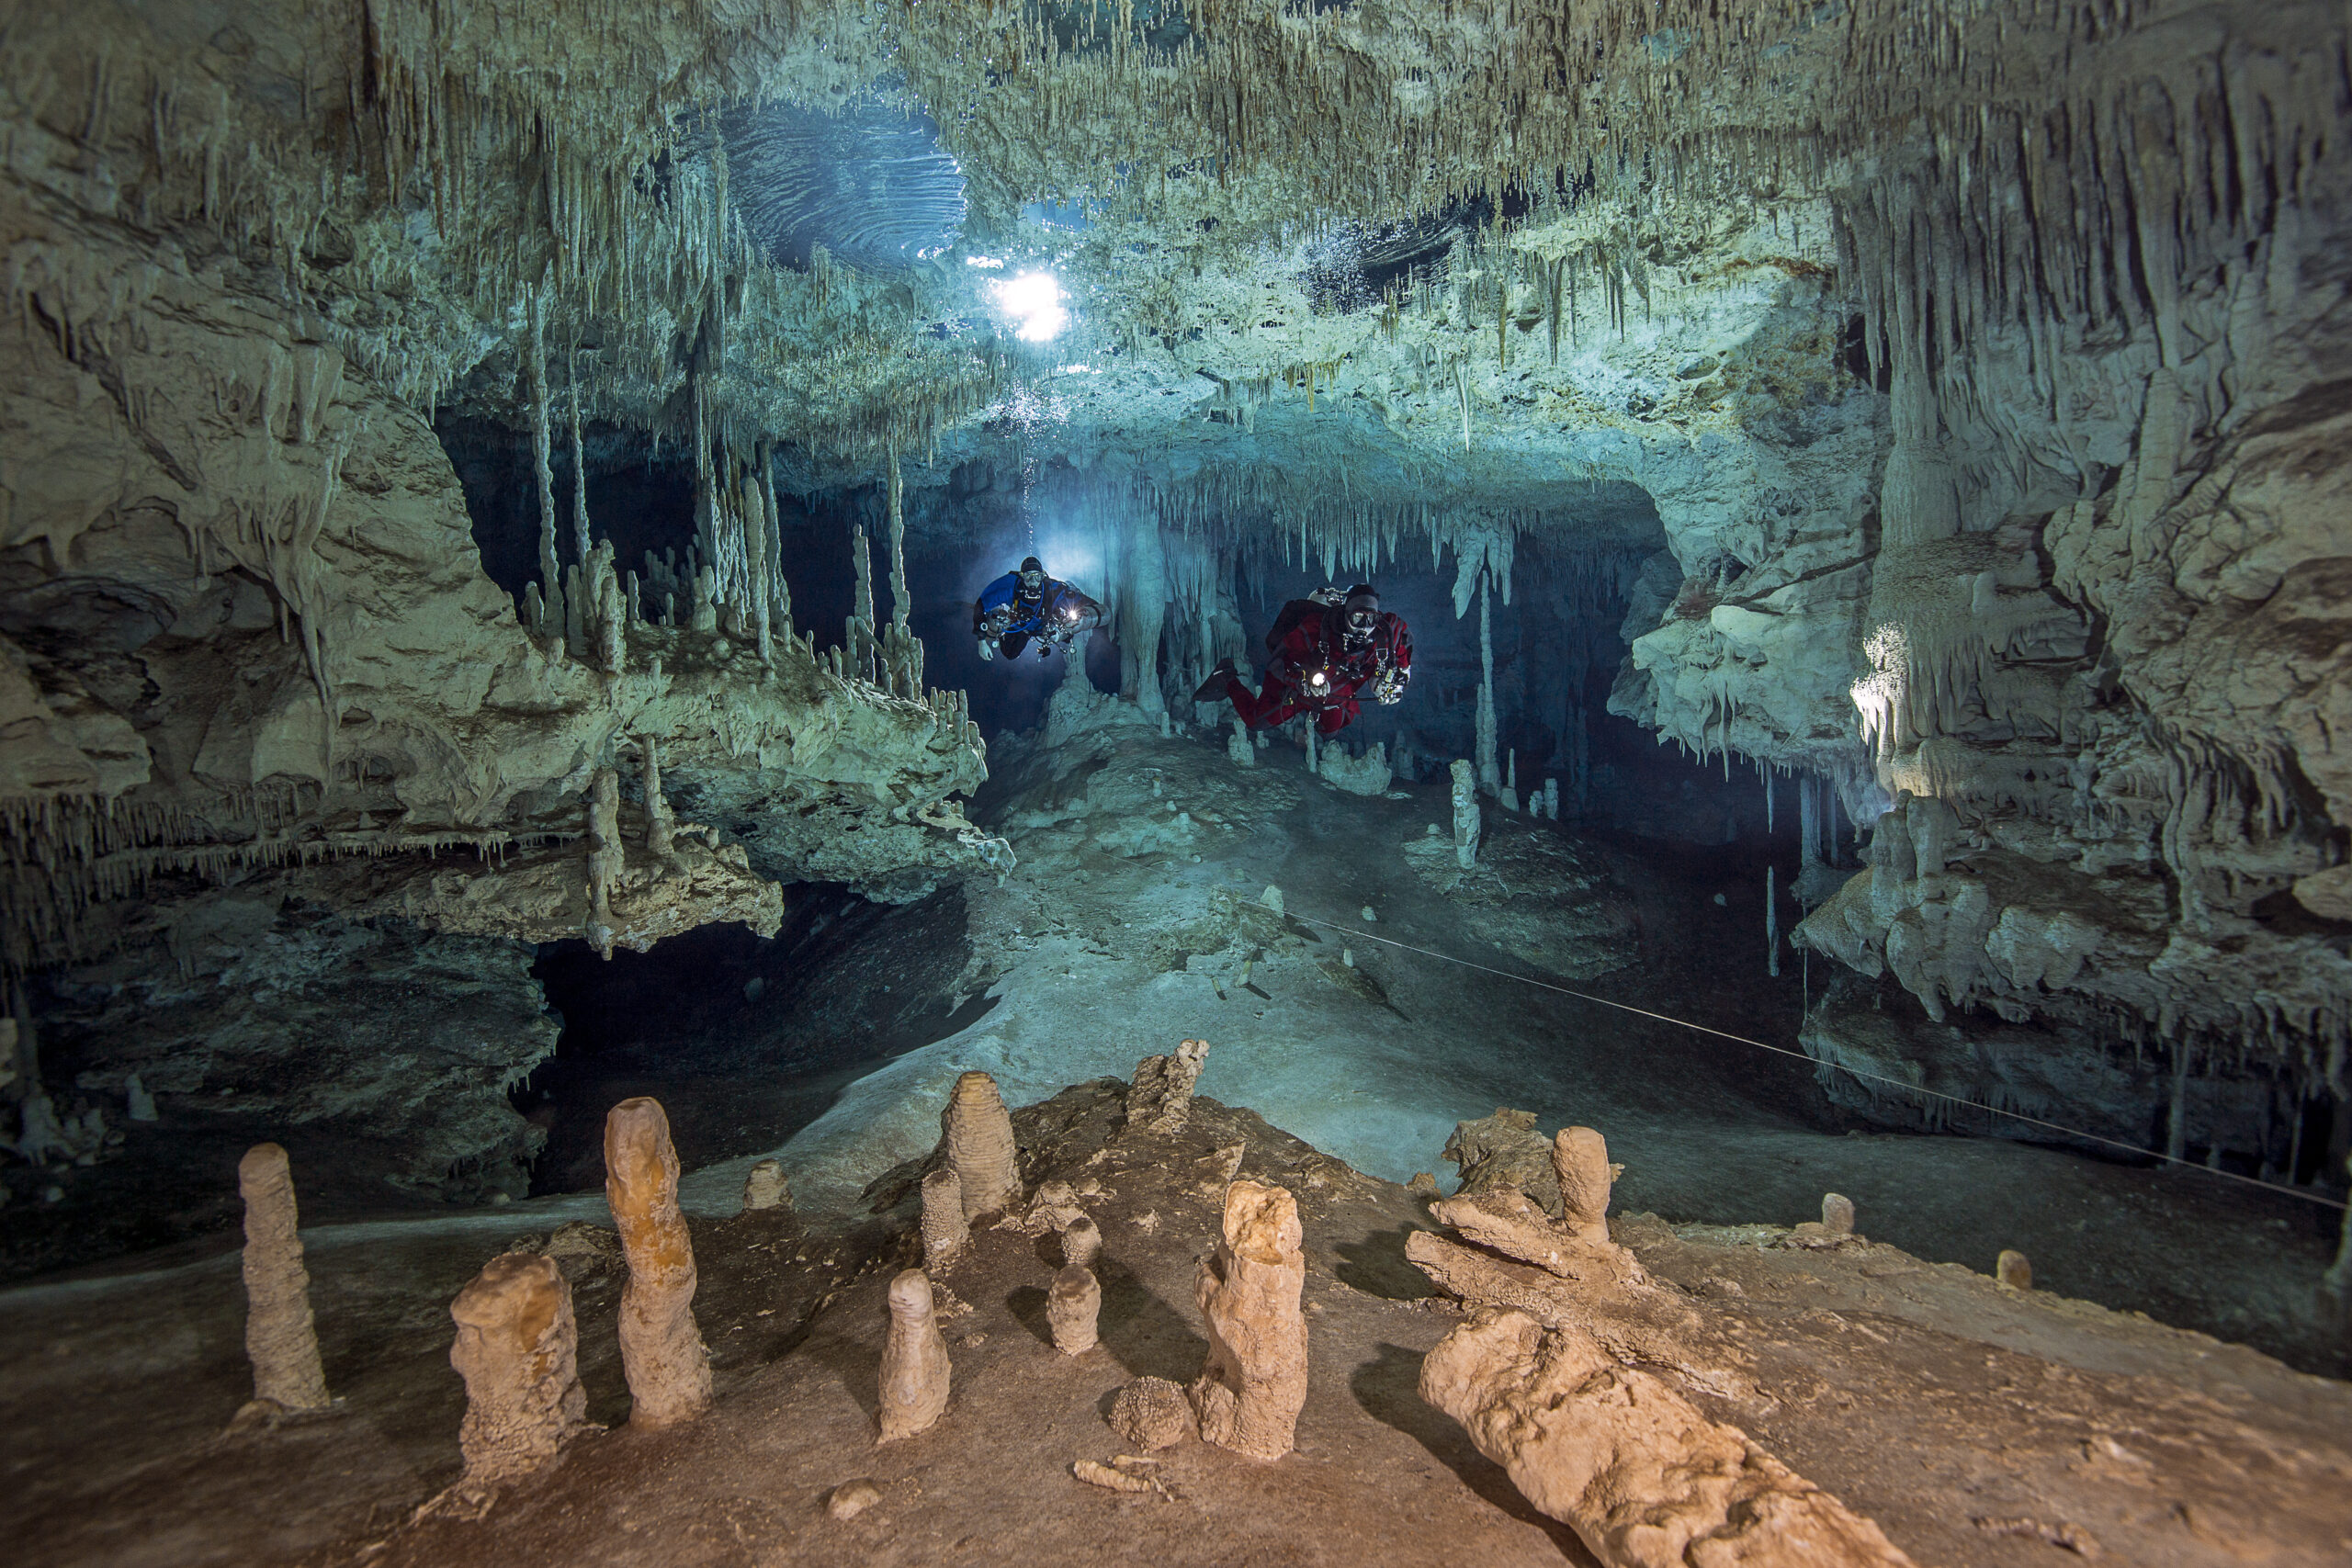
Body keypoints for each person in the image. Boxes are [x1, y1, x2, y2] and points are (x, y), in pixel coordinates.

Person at [1194, 582, 1410, 737]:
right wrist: (1301, 681)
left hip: (1337, 691)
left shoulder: (1388, 632)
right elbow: (1279, 662)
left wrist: (1398, 680)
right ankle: (1227, 678)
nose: (1365, 626)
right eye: (1358, 617)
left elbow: (1404, 653)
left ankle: (1313, 727)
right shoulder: (1315, 629)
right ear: (1346, 614)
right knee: (1255, 721)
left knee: (1330, 731)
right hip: (1297, 687)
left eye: (1371, 618)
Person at [973, 556, 1102, 660]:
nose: (1033, 581)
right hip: (1023, 626)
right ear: (1021, 576)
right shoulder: (1012, 587)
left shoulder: (1053, 590)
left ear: (1042, 576)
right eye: (1028, 576)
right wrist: (981, 642)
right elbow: (981, 604)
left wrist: (1089, 614)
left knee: (1068, 632)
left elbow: (1085, 602)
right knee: (1010, 654)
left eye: (1037, 576)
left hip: (1046, 626)